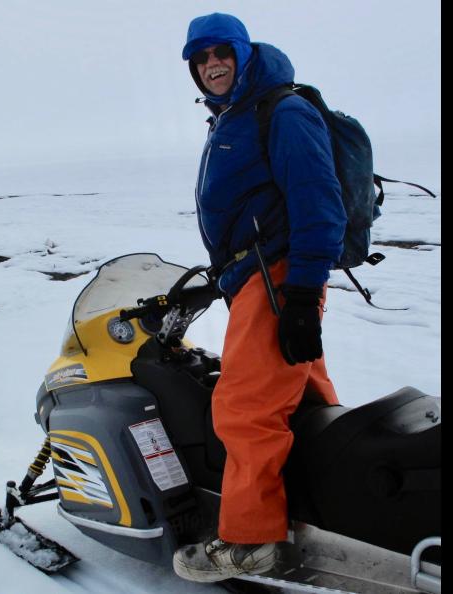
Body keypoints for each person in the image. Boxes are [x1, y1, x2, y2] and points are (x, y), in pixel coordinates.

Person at [172, 13, 347, 583]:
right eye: (200, 59)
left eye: (221, 52)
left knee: (244, 408)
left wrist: (299, 295)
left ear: (244, 54)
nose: (211, 64)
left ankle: (252, 543)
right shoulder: (235, 115)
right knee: (302, 394)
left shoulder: (283, 110)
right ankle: (330, 507)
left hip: (277, 279)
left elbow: (319, 205)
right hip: (258, 278)